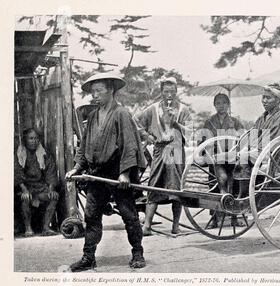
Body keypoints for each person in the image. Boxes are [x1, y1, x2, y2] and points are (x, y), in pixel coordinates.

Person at [65, 72, 147, 272]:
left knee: (129, 214)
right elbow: (84, 146)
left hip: (118, 172)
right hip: (97, 173)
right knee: (91, 215)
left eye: (98, 91)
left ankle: (138, 253)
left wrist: (126, 172)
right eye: (92, 92)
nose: (94, 95)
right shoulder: (93, 116)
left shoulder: (122, 114)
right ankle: (88, 257)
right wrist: (77, 167)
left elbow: (129, 145)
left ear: (111, 90)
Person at [133, 77, 193, 236]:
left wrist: (176, 124)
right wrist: (147, 136)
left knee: (177, 188)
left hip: (177, 151)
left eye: (172, 92)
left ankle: (175, 226)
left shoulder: (183, 110)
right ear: (161, 92)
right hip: (160, 150)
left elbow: (190, 131)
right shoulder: (152, 109)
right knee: (154, 185)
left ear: (176, 92)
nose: (169, 95)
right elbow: (136, 122)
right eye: (166, 91)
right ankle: (146, 226)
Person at [200, 93, 244, 228]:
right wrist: (208, 151)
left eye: (224, 103)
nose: (221, 106)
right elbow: (203, 141)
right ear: (214, 105)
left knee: (234, 184)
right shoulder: (209, 122)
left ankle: (234, 217)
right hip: (215, 158)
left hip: (231, 158)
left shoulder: (235, 121)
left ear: (228, 105)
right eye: (218, 103)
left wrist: (238, 137)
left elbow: (243, 139)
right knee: (215, 185)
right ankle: (214, 218)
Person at [14, 128, 59, 237]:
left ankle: (46, 227)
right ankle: (28, 228)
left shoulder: (44, 154)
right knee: (25, 198)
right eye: (31, 138)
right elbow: (17, 172)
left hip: (40, 187)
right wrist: (24, 190)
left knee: (54, 196)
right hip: (26, 187)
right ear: (25, 140)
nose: (34, 141)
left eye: (36, 138)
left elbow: (51, 172)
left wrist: (51, 189)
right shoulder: (19, 154)